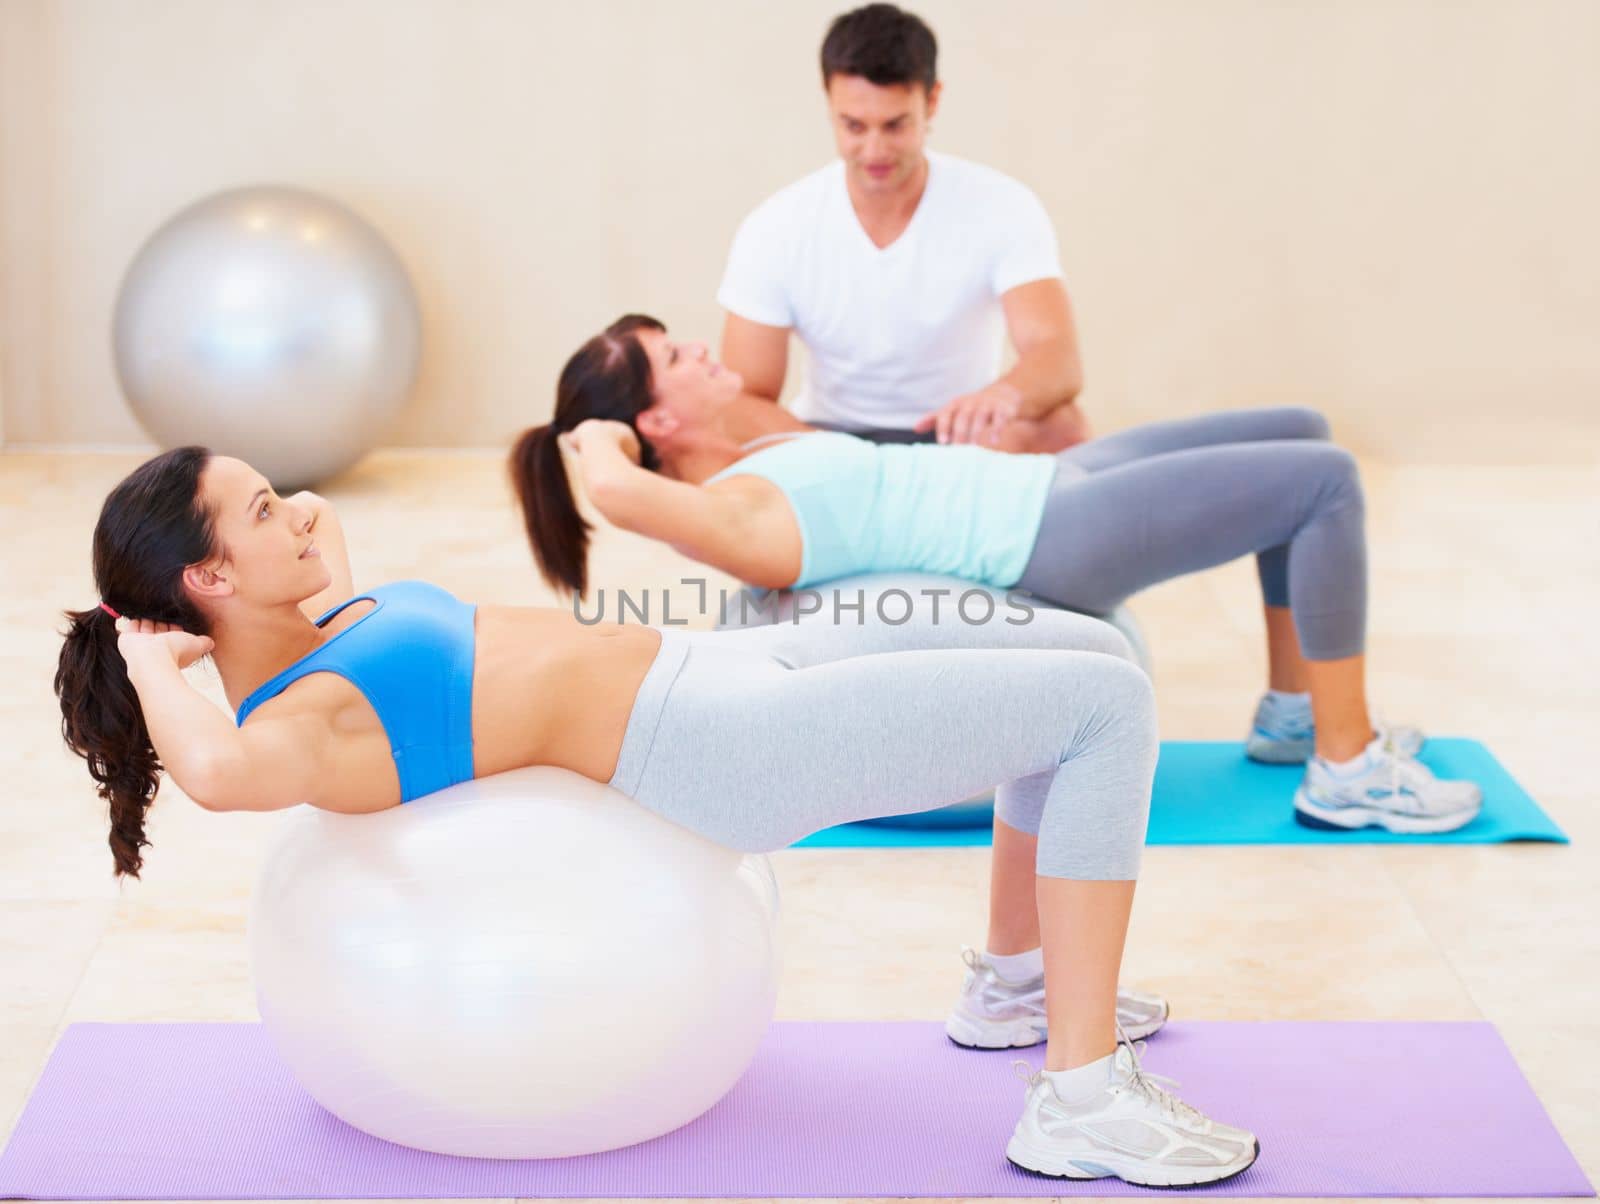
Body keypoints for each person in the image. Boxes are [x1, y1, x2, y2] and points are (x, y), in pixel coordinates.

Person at [56, 445, 1257, 1187]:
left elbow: (327, 537)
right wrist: (161, 667)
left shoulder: (321, 626)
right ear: (207, 583)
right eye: (262, 513)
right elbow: (214, 773)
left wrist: (279, 527)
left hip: (713, 666)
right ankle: (1081, 1096)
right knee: (1103, 705)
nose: (300, 513)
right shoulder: (302, 720)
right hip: (721, 747)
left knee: (1089, 648)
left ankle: (1013, 981)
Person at [513, 315, 1485, 838]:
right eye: (673, 358)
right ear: (659, 424)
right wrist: (593, 442)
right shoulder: (730, 514)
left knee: (1300, 430)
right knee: (1326, 484)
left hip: (1042, 483)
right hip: (1045, 535)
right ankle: (1346, 771)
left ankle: (1292, 720)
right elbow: (621, 500)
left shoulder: (762, 448)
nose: (701, 347)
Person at [718, 3, 1088, 452]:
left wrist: (1001, 397)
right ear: (829, 102)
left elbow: (1057, 357)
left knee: (1063, 425)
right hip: (827, 437)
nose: (874, 150)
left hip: (959, 434)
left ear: (931, 101)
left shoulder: (1002, 204)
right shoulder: (776, 226)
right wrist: (832, 453)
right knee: (727, 439)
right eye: (853, 125)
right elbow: (743, 398)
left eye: (895, 125)